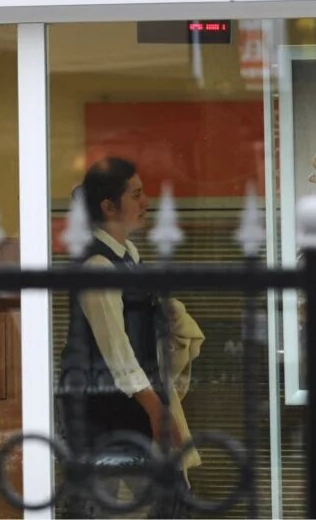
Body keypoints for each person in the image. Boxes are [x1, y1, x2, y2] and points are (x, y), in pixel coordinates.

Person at [59, 156, 201, 517]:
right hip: (102, 411)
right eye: (136, 194)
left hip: (131, 404)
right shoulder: (97, 266)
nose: (145, 202)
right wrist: (158, 411)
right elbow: (117, 350)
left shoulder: (127, 256)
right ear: (109, 207)